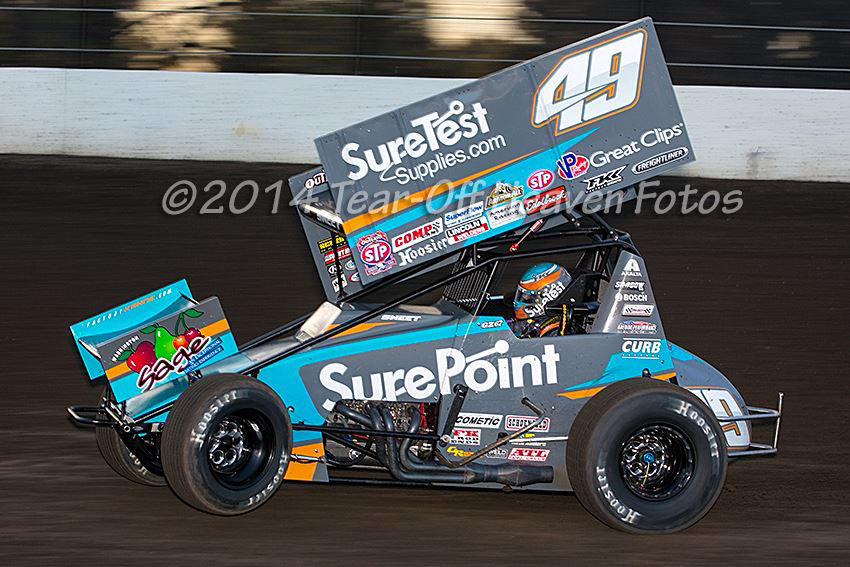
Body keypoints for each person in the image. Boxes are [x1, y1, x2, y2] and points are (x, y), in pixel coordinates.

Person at [510, 262, 573, 338]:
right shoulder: (536, 321)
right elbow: (517, 326)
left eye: (531, 296)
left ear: (549, 295)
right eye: (522, 294)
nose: (525, 297)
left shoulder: (555, 332)